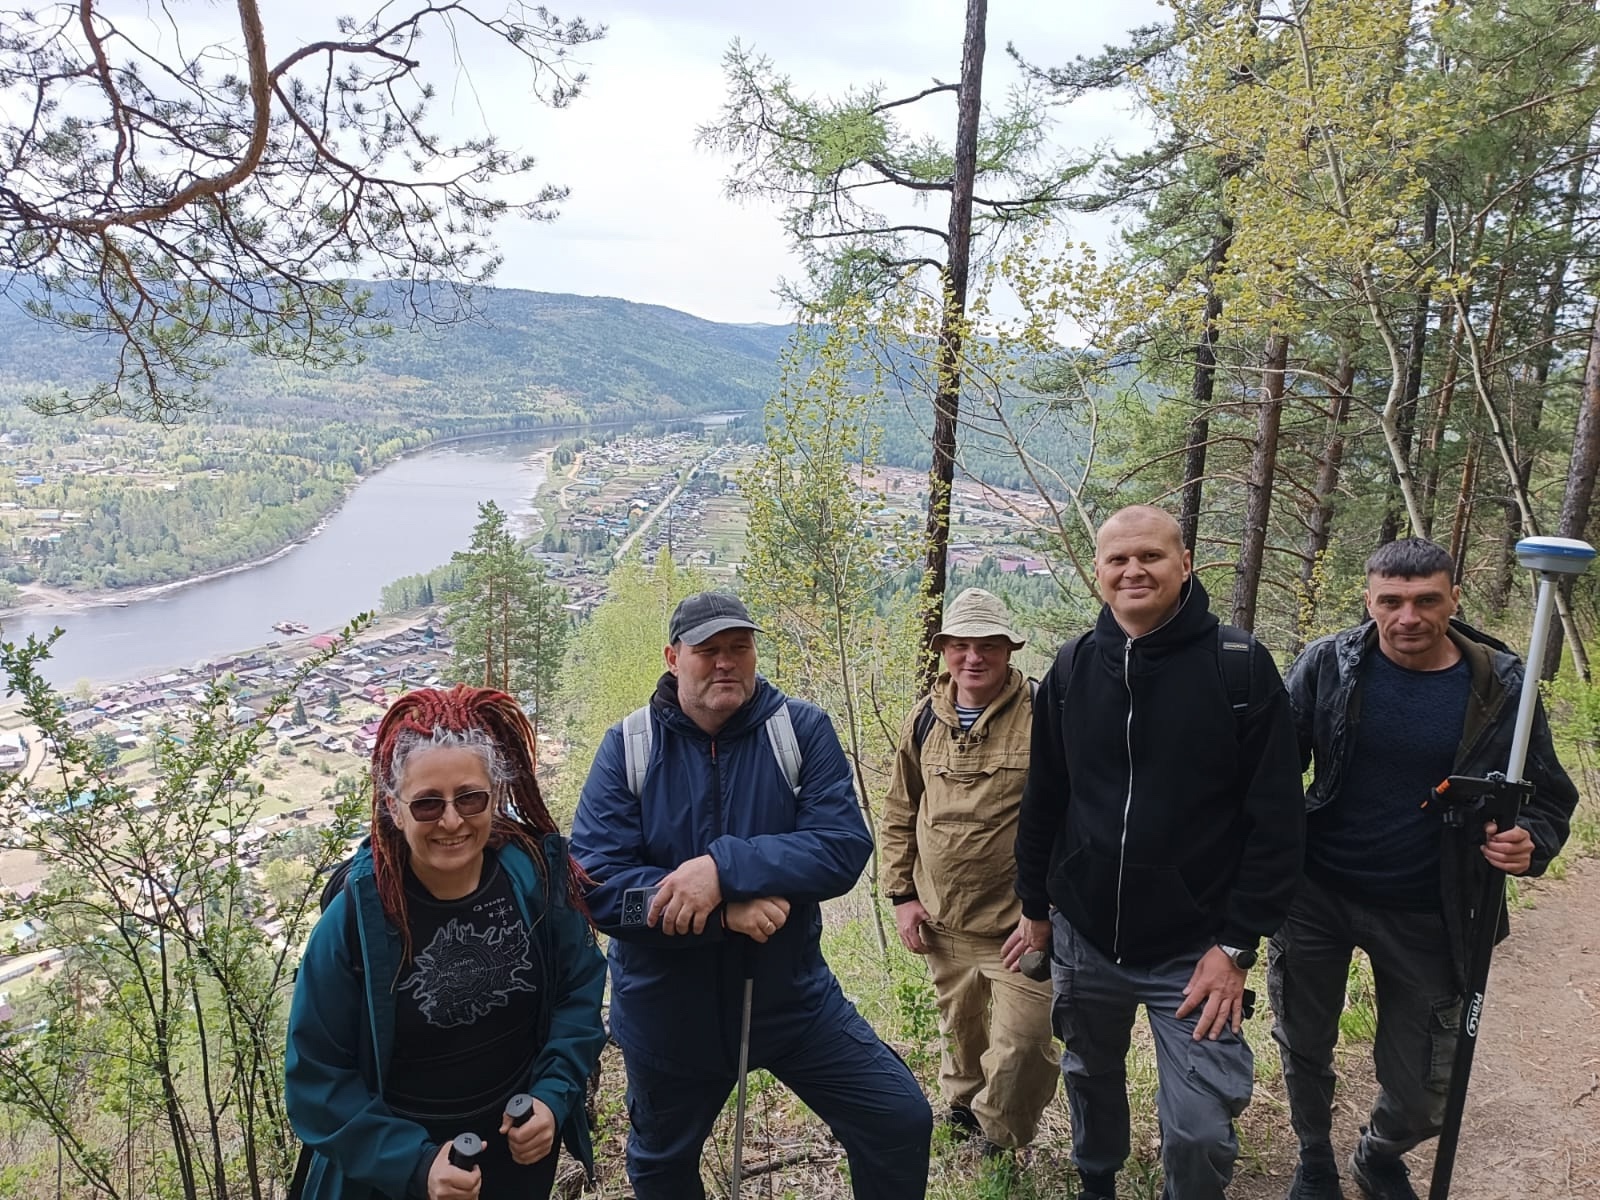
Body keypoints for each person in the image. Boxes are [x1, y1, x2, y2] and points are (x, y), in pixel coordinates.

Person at [570, 590, 932, 1200]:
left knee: (898, 1120)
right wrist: (722, 915)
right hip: (666, 1013)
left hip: (790, 999)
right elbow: (600, 888)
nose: (725, 663)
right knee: (661, 1167)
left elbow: (842, 846)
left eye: (739, 648)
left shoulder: (800, 731)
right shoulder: (629, 747)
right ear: (672, 657)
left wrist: (723, 868)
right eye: (707, 650)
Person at [1008, 504, 1305, 1200]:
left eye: (1151, 556)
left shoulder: (1240, 669)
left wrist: (1235, 946)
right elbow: (1045, 796)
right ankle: (1097, 1181)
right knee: (1089, 1074)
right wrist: (1034, 906)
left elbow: (1279, 822)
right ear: (1099, 574)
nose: (1134, 570)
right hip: (1086, 935)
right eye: (1118, 560)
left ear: (1185, 565)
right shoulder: (1075, 665)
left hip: (1194, 949)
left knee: (1199, 1130)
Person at [1273, 538, 1579, 1200]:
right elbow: (1270, 768)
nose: (1408, 616)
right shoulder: (1329, 664)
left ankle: (1379, 1152)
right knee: (1304, 1040)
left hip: (1433, 905)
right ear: (1369, 601)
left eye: (1426, 600)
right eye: (1391, 601)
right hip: (1315, 893)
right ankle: (1314, 1158)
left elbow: (1550, 796)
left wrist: (1532, 840)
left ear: (1454, 599)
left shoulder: (1502, 686)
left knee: (1424, 1090)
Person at [286, 686, 607, 1200]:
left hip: (517, 1157)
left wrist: (551, 1096)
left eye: (470, 797)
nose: (453, 821)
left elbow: (579, 991)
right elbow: (317, 1082)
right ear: (394, 806)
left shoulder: (533, 880)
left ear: (496, 794)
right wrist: (414, 1165)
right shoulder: (355, 923)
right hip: (392, 1180)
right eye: (428, 803)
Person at [880, 587, 1057, 1156]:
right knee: (961, 1029)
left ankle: (1001, 1137)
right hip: (942, 919)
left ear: (1009, 650)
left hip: (1020, 927)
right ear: (944, 650)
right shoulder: (923, 721)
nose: (972, 658)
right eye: (959, 646)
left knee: (1026, 1042)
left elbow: (1073, 813)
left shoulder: (1045, 714)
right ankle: (961, 1106)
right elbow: (899, 811)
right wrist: (902, 895)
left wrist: (1048, 910)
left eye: (987, 646)